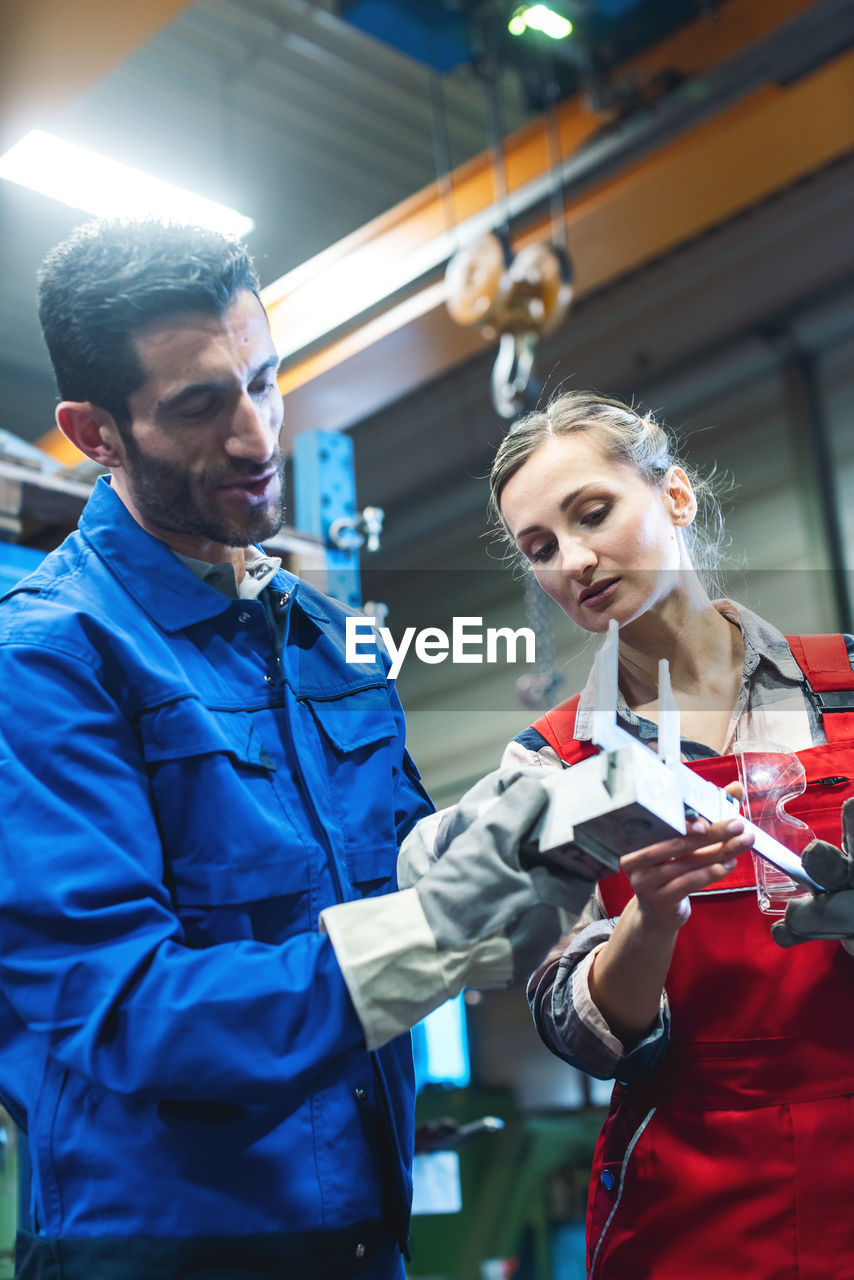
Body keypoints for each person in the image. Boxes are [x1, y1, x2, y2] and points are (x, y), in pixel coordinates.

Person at [0, 221, 594, 1280]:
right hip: (164, 1253)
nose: (255, 434)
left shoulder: (325, 640)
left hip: (369, 1233)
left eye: (264, 381)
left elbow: (400, 868)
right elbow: (129, 1010)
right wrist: (443, 921)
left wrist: (531, 828)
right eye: (197, 405)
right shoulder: (45, 660)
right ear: (94, 432)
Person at [489, 390, 854, 1279]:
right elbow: (568, 1026)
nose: (574, 559)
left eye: (593, 513)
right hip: (691, 1201)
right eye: (541, 549)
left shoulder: (844, 685)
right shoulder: (550, 764)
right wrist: (651, 924)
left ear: (676, 496)